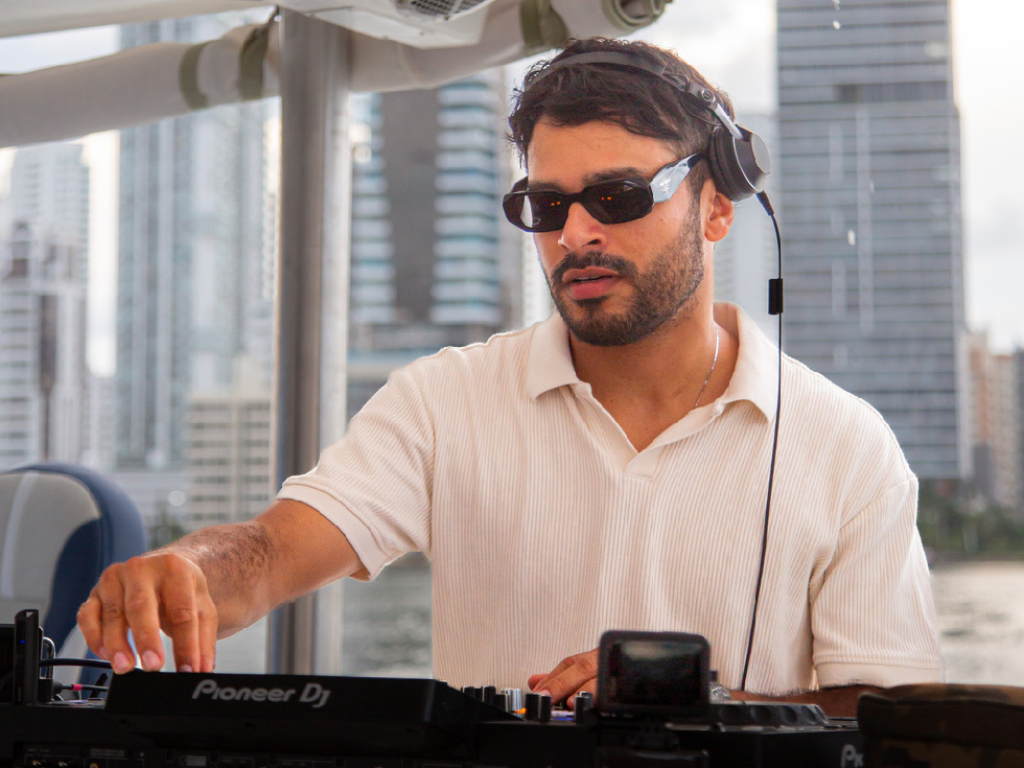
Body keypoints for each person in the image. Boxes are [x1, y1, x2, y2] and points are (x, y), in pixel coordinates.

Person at [77, 37, 943, 717]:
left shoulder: (847, 445)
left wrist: (707, 709)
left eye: (616, 198)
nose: (573, 236)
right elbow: (269, 556)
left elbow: (885, 712)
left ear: (716, 204)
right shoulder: (444, 400)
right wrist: (187, 567)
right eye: (544, 205)